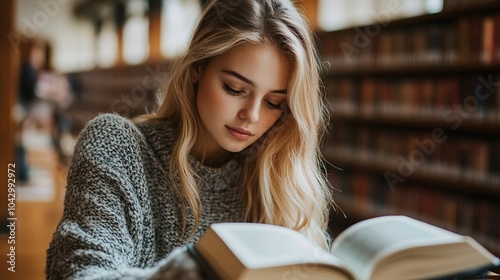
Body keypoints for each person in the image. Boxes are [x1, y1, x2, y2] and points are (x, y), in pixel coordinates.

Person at [46, 0, 335, 279]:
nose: (252, 115)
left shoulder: (279, 180)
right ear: (197, 68)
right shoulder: (116, 146)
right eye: (234, 88)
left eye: (273, 103)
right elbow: (81, 272)